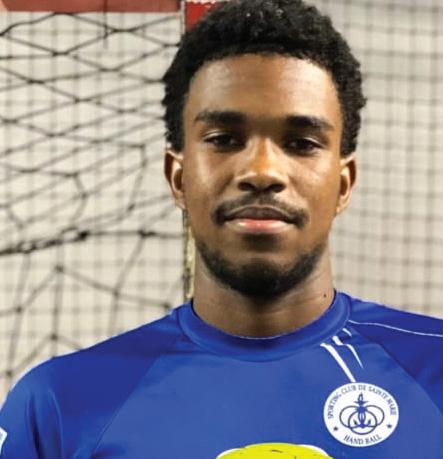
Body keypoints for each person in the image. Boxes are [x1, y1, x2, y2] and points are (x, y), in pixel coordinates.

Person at [1, 0, 443, 457]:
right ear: (178, 178)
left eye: (301, 143)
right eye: (224, 140)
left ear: (344, 184)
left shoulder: (435, 373)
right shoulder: (59, 406)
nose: (262, 171)